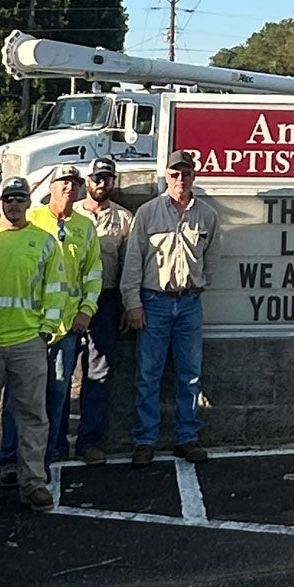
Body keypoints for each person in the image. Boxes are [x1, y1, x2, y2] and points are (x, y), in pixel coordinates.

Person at [0, 177, 67, 509]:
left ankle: (33, 482)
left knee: (32, 416)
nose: (14, 204)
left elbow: (56, 288)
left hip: (28, 342)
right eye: (9, 197)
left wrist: (45, 329)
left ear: (28, 203)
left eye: (21, 198)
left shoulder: (45, 241)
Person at [123, 150, 221, 466]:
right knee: (148, 375)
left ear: (194, 175)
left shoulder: (206, 215)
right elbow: (133, 261)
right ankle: (145, 440)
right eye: (175, 173)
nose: (181, 179)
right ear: (166, 175)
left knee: (190, 375)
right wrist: (132, 303)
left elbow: (213, 256)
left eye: (187, 173)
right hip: (154, 302)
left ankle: (186, 438)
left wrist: (200, 282)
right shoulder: (148, 213)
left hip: (190, 303)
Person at [22, 164, 101, 463]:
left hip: (66, 326)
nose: (69, 187)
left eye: (74, 183)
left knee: (57, 392)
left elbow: (93, 272)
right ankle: (12, 456)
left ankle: (51, 450)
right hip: (29, 326)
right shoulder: (32, 219)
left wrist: (86, 310)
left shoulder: (85, 225)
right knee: (25, 396)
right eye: (63, 182)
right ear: (51, 187)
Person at [75, 156, 137, 464]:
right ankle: (53, 440)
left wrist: (128, 304)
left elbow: (129, 266)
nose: (102, 183)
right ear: (86, 181)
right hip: (69, 301)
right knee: (57, 374)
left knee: (98, 373)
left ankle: (89, 441)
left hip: (107, 300)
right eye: (97, 178)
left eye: (107, 178)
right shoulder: (69, 214)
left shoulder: (125, 219)